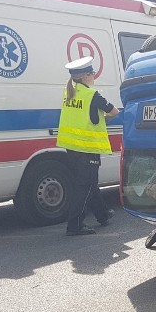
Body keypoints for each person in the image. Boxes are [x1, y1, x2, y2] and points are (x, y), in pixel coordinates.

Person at [58, 57, 118, 236]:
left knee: (89, 183)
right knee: (85, 186)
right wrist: (104, 120)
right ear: (85, 76)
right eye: (92, 73)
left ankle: (103, 214)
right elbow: (114, 112)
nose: (94, 76)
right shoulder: (92, 94)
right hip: (87, 147)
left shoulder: (68, 91)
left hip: (71, 146)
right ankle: (74, 225)